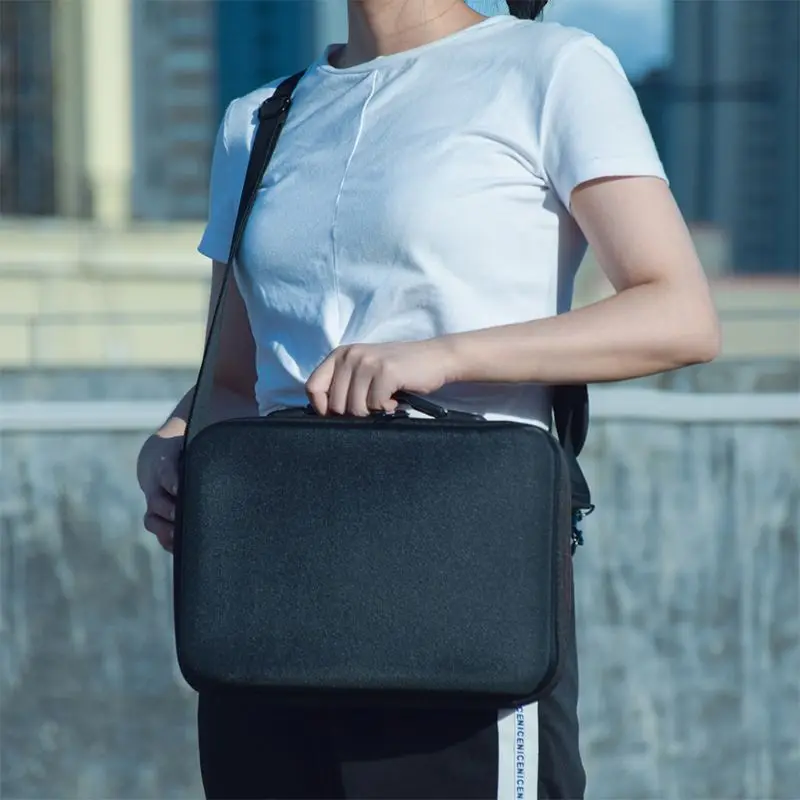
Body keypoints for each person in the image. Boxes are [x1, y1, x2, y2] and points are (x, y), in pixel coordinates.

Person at [136, 0, 720, 797]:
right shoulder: (260, 118)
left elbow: (678, 313)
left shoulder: (550, 68)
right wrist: (175, 440)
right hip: (270, 602)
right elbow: (235, 377)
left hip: (458, 592)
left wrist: (444, 356)